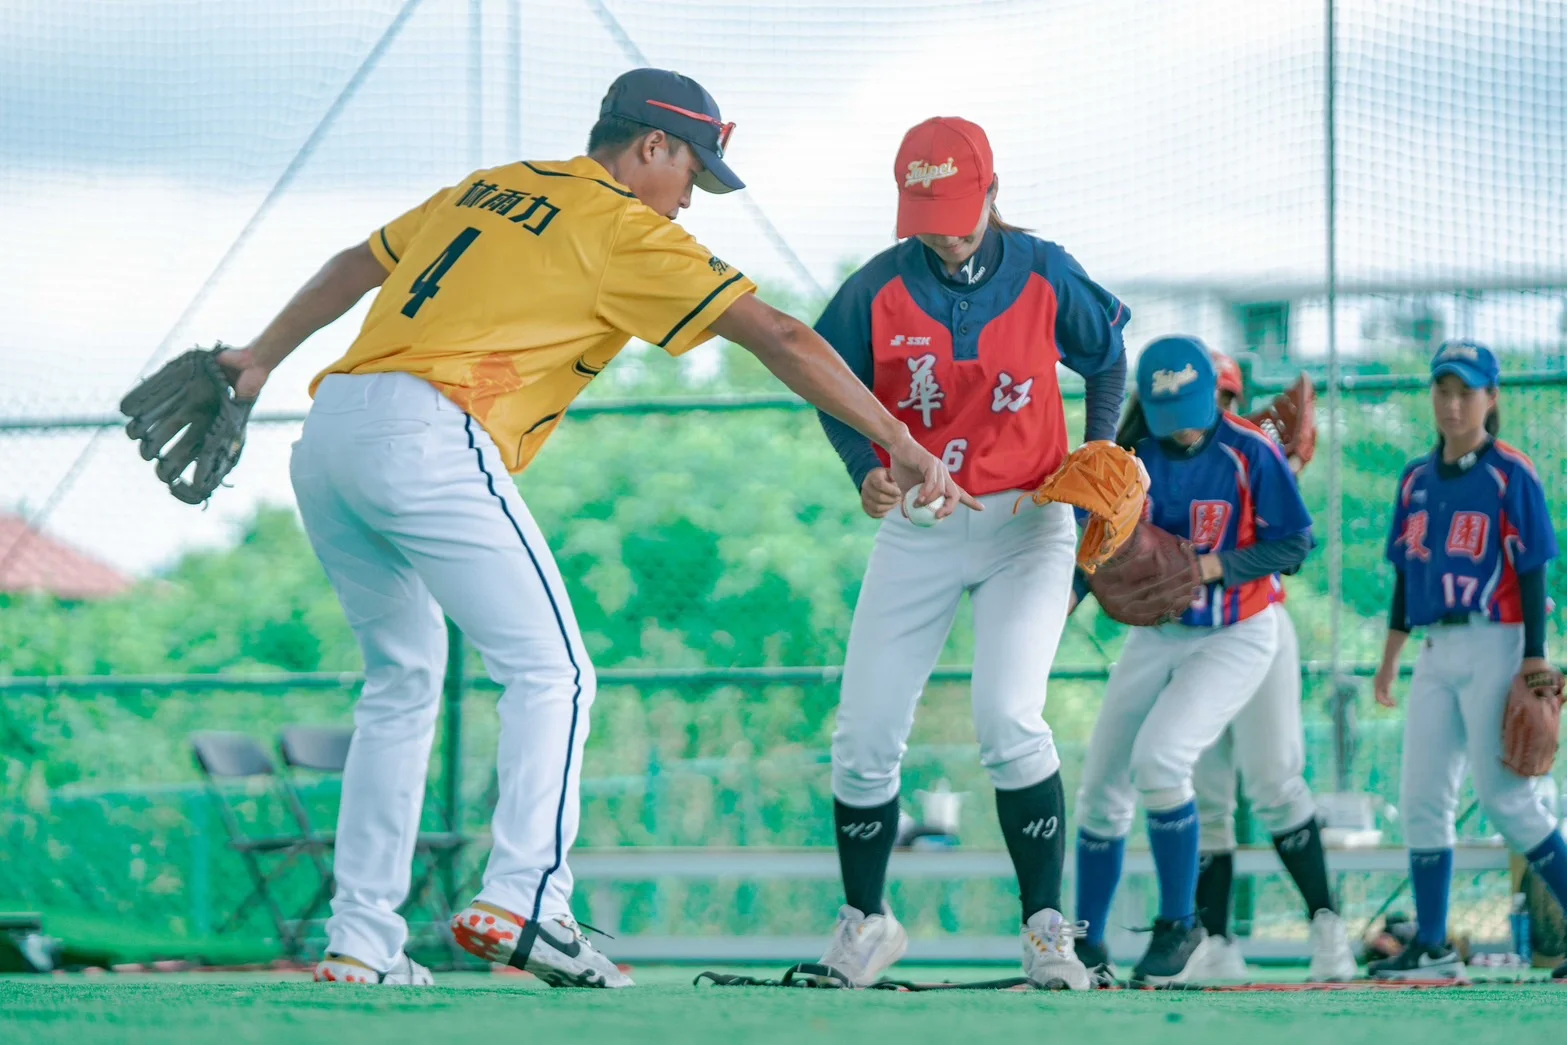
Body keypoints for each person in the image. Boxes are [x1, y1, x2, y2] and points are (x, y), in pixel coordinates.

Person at [217, 68, 977, 988]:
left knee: (402, 682)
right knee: (557, 671)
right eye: (691, 175)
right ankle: (529, 897)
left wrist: (260, 358)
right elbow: (777, 333)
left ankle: (359, 941)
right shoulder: (623, 228)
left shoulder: (496, 183)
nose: (689, 200)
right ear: (650, 146)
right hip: (426, 433)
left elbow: (356, 262)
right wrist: (898, 439)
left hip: (329, 429)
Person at [810, 116, 1130, 990]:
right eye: (926, 208)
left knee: (1007, 719)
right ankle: (866, 923)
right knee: (863, 734)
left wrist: (1094, 452)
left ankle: (1045, 932)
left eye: (957, 205)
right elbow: (826, 384)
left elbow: (1107, 357)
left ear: (991, 190)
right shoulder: (875, 288)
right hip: (917, 521)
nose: (944, 227)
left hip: (1028, 524)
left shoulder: (1043, 270)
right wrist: (863, 470)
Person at [1071, 336, 1313, 985]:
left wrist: (1214, 566)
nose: (1180, 426)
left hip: (1237, 630)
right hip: (1158, 632)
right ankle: (1086, 942)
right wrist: (1067, 598)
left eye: (1193, 408)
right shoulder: (1131, 455)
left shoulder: (1249, 451)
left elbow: (1294, 543)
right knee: (1098, 791)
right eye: (1166, 410)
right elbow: (1092, 550)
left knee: (1161, 759)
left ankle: (1181, 924)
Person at [1370, 339, 1567, 981]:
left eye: (1466, 391)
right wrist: (1389, 660)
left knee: (1507, 800)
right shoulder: (1414, 478)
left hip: (1499, 639)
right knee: (1422, 796)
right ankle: (1431, 947)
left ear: (1491, 397)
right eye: (1443, 390)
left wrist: (1534, 659)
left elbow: (1533, 568)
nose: (1452, 404)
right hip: (1435, 647)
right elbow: (1405, 576)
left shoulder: (1511, 472)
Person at [1182, 353, 1356, 982]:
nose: (1219, 409)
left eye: (1226, 396)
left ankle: (1328, 930)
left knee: (1275, 781)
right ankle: (1219, 944)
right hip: (1188, 639)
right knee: (1204, 797)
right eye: (1209, 395)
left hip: (1256, 630)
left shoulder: (1253, 459)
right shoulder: (1154, 463)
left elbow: (1293, 549)